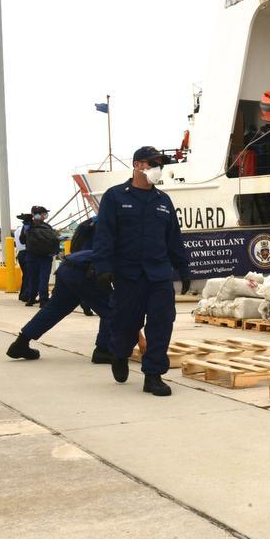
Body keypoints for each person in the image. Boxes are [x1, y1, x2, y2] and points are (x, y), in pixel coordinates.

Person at [91, 146, 191, 397]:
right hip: (128, 275)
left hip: (158, 275)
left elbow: (173, 238)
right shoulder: (115, 197)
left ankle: (153, 375)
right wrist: (103, 268)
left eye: (160, 164)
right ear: (137, 165)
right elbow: (104, 236)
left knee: (162, 323)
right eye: (153, 163)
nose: (158, 168)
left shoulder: (163, 201)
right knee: (126, 324)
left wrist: (184, 267)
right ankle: (120, 353)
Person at [5, 248, 115, 364]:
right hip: (84, 271)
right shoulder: (132, 255)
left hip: (68, 266)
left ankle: (20, 343)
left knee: (55, 309)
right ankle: (103, 350)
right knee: (112, 310)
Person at [19, 206, 58, 308]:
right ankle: (43, 300)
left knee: (32, 279)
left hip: (31, 256)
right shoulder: (47, 227)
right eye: (44, 214)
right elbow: (54, 241)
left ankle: (31, 299)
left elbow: (22, 241)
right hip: (46, 257)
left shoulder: (27, 226)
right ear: (41, 215)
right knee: (43, 279)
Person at [13, 213, 31, 303]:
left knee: (26, 275)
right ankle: (26, 295)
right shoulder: (28, 229)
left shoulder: (17, 230)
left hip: (20, 254)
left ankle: (23, 294)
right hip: (28, 252)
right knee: (30, 276)